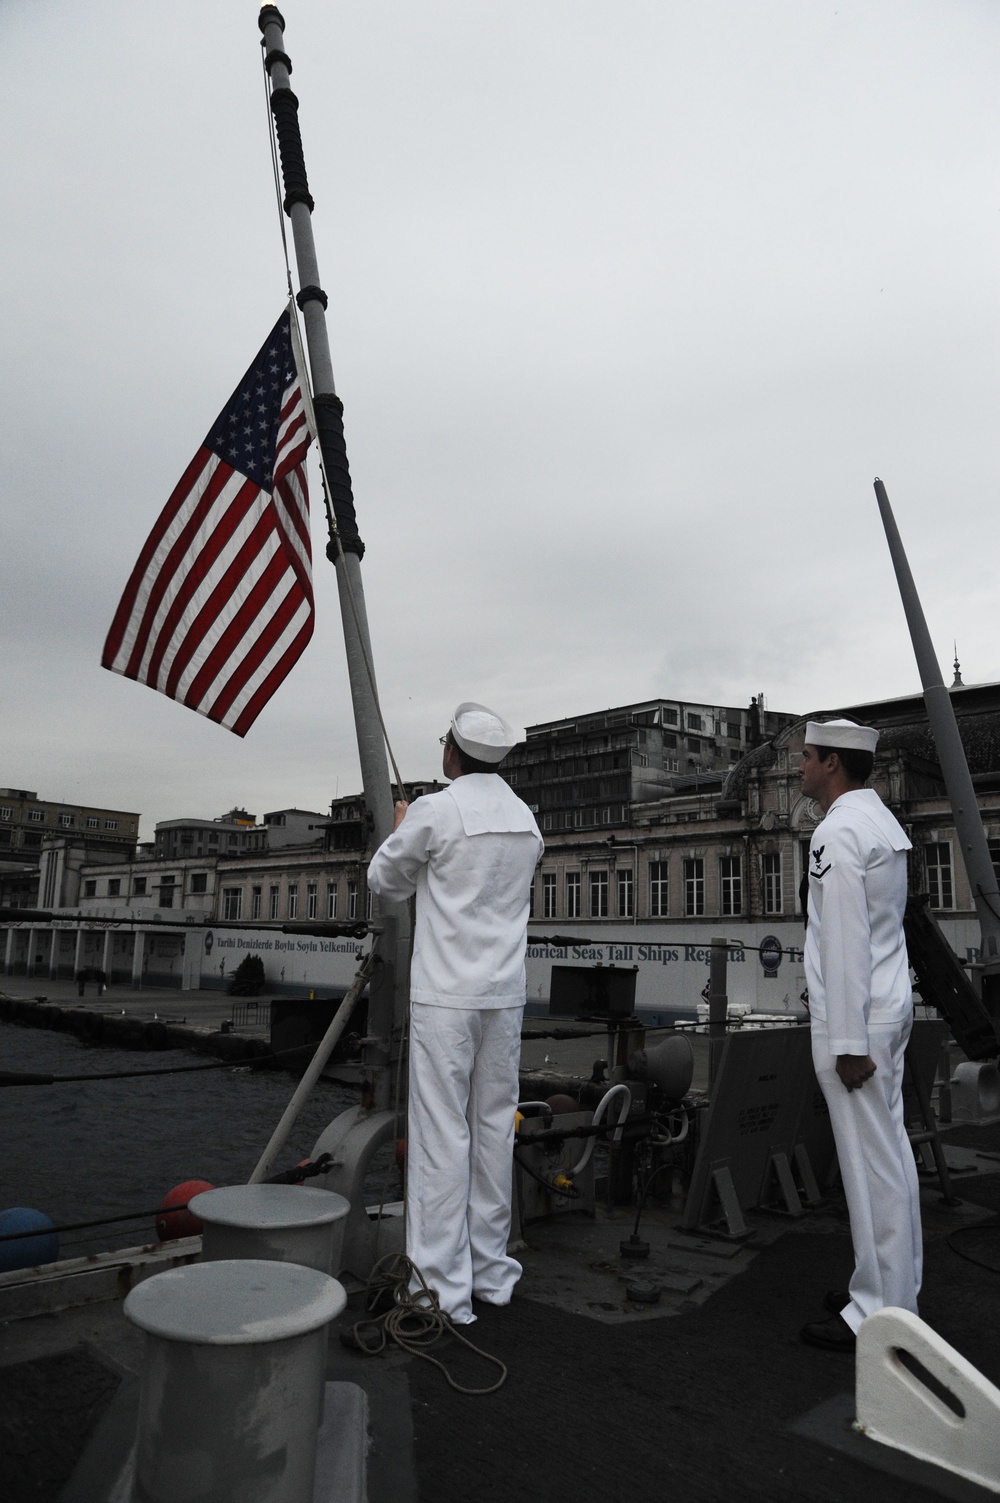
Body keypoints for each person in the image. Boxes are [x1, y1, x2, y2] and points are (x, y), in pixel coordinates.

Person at [366, 702, 543, 1325]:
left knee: (443, 1137)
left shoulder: (437, 810)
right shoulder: (526, 819)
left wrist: (401, 825)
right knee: (494, 1130)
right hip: (505, 997)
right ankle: (491, 1274)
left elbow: (384, 881)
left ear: (451, 752)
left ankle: (438, 1289)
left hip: (446, 998)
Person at [798, 717, 922, 1352]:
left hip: (858, 1024)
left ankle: (877, 1314)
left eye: (808, 757)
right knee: (891, 1159)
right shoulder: (882, 824)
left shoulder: (839, 831)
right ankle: (893, 1290)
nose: (801, 768)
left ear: (832, 766)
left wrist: (845, 1042)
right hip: (887, 1008)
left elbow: (843, 938)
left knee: (870, 1169)